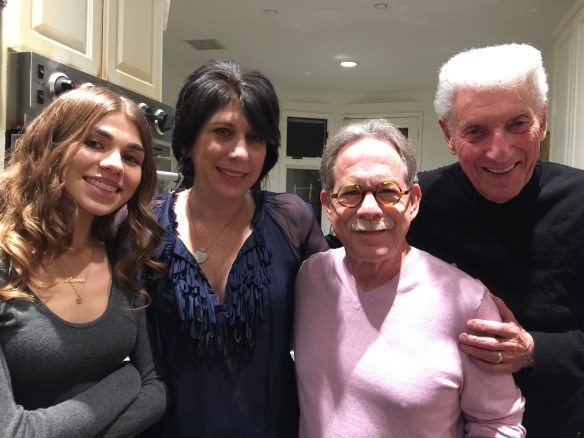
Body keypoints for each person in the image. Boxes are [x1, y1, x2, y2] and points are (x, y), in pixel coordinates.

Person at [294, 118, 526, 437]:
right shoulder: (310, 278)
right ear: (328, 206)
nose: (370, 209)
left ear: (413, 201)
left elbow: (499, 423)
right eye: (350, 193)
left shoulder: (466, 302)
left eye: (388, 191)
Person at [407, 43, 584, 438]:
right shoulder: (417, 201)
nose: (499, 151)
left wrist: (534, 349)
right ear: (448, 134)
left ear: (542, 119)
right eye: (476, 131)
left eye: (518, 124)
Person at [146, 59, 328, 437]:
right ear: (188, 141)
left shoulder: (292, 220)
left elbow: (342, 310)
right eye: (223, 132)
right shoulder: (144, 225)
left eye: (255, 138)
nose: (241, 153)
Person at [0, 86, 167, 437]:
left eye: (131, 158)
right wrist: (126, 379)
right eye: (94, 143)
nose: (114, 164)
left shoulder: (124, 255)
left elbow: (155, 389)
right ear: (50, 145)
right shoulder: (5, 261)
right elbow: (13, 431)